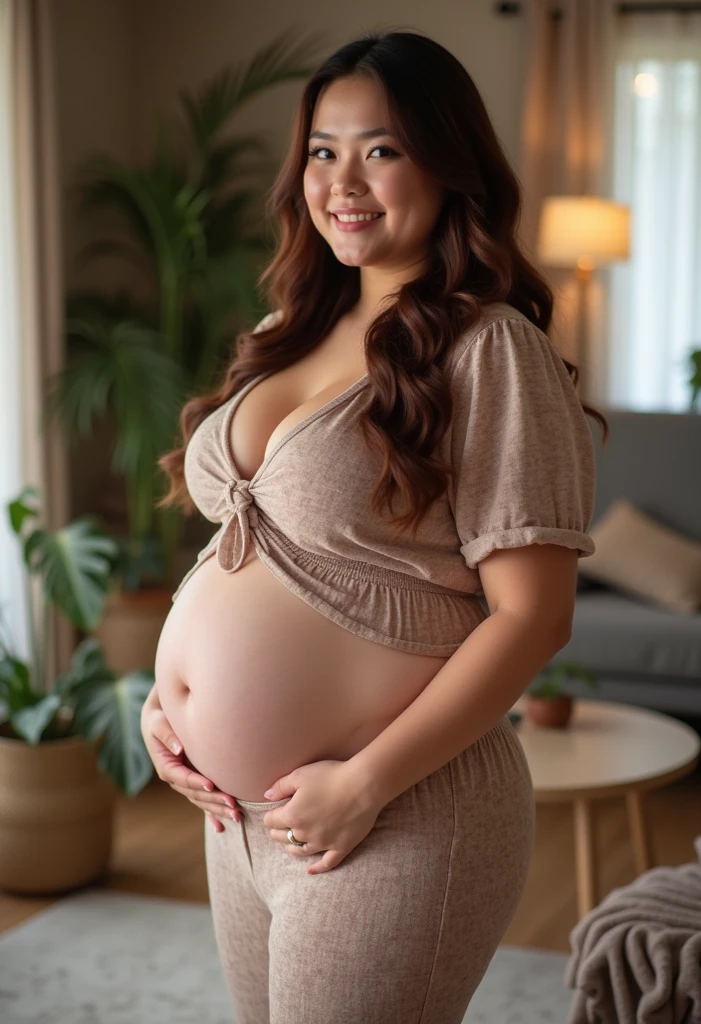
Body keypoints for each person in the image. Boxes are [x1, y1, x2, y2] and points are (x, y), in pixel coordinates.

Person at [140, 28, 607, 1024]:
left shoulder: (490, 347)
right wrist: (167, 702)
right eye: (321, 149)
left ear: (446, 163)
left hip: (396, 813)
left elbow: (533, 617)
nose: (342, 180)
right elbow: (253, 548)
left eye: (381, 149)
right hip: (244, 821)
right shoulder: (290, 334)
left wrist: (362, 781)